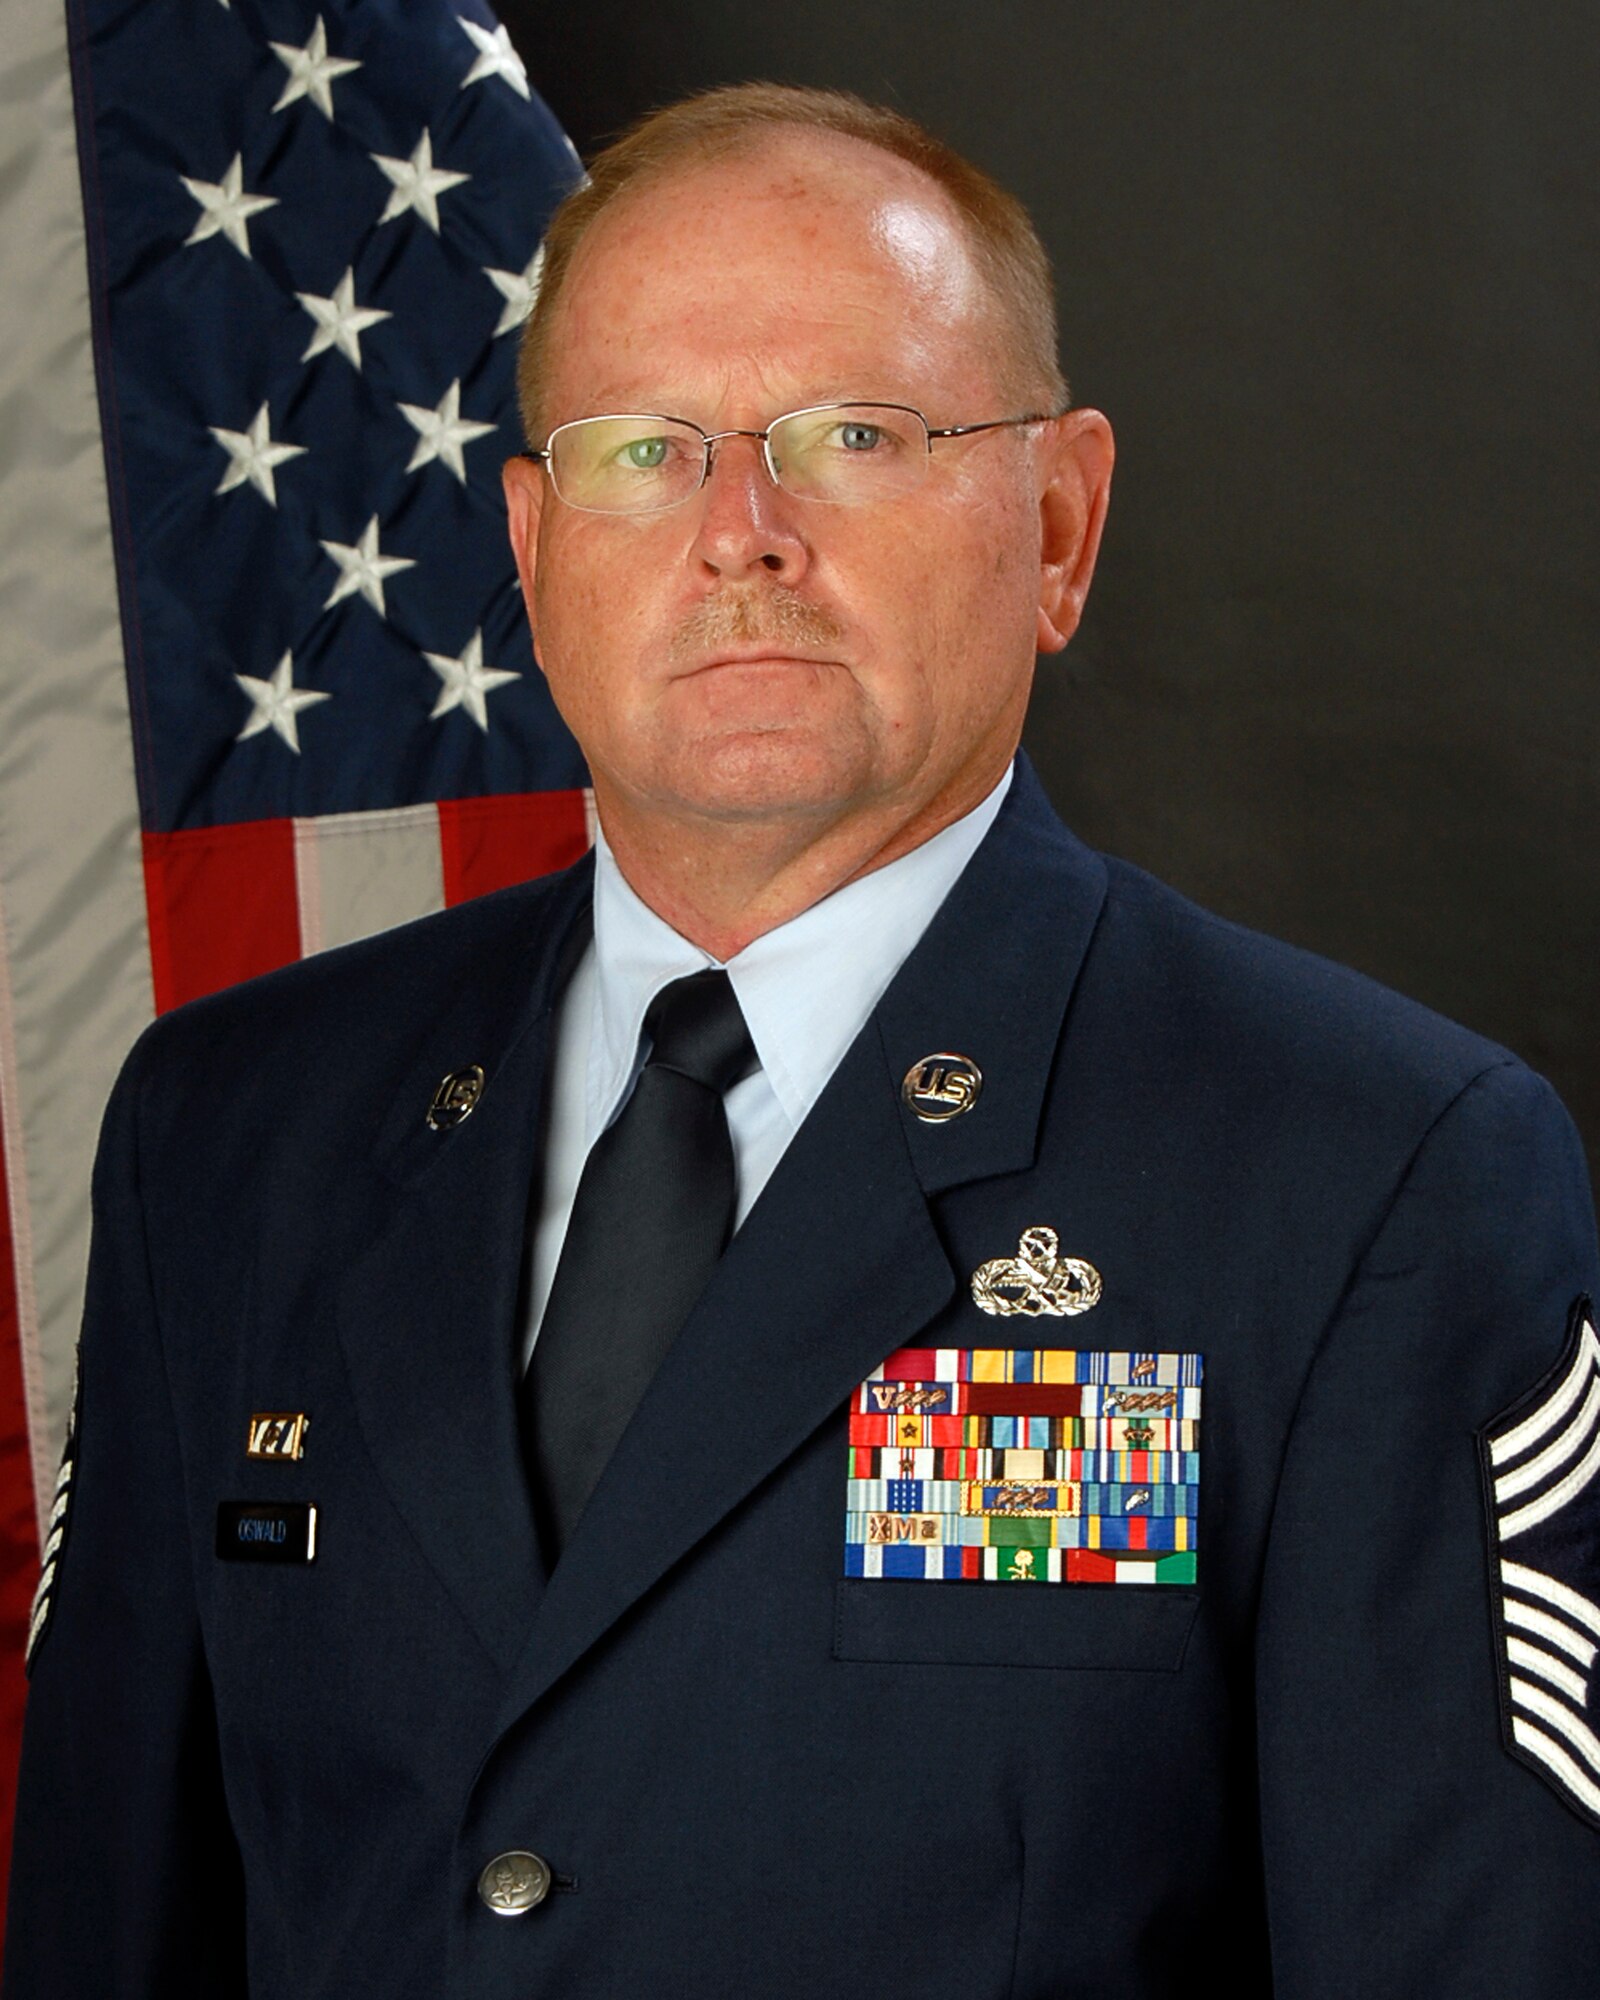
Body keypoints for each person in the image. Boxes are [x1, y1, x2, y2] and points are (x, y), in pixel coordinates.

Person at [7, 81, 1599, 2000]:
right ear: (530, 547)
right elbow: (107, 1924)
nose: (740, 536)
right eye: (642, 451)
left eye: (858, 435)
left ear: (1062, 526)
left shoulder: (1373, 1176)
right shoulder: (229, 1131)